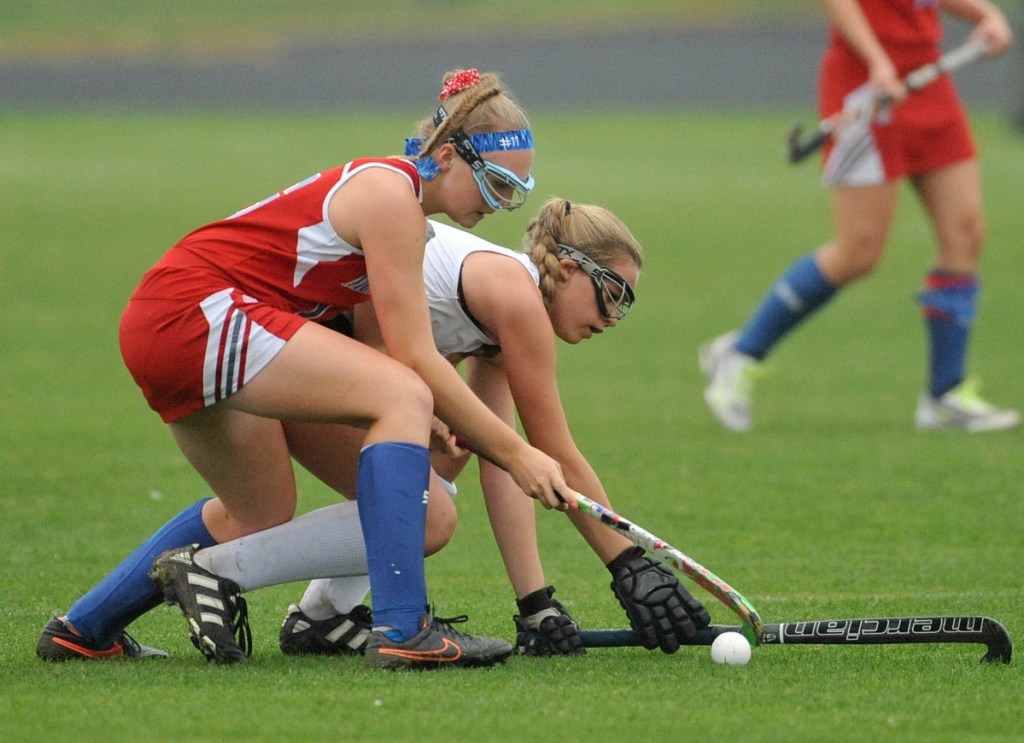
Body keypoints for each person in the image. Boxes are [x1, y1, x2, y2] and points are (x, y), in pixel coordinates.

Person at [36, 68, 571, 670]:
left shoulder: (405, 217)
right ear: (447, 156)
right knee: (404, 395)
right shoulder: (391, 197)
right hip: (193, 312)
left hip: (169, 324)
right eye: (496, 184)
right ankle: (403, 629)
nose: (500, 205)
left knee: (267, 512)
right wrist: (516, 454)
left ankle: (83, 630)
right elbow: (415, 360)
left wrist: (436, 421)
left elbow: (382, 350)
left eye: (515, 193)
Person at [146, 197, 711, 663]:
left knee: (458, 449)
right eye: (612, 294)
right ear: (568, 269)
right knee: (429, 513)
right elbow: (552, 450)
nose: (612, 318)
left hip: (279, 356)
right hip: (263, 354)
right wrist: (627, 565)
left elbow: (503, 459)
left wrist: (535, 602)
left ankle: (316, 615)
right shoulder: (517, 300)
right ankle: (217, 573)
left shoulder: (501, 314)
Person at [701, 0, 1019, 433]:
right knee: (858, 251)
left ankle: (944, 394)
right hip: (866, 83)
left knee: (966, 234)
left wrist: (985, 14)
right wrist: (877, 60)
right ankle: (741, 352)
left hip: (927, 78)